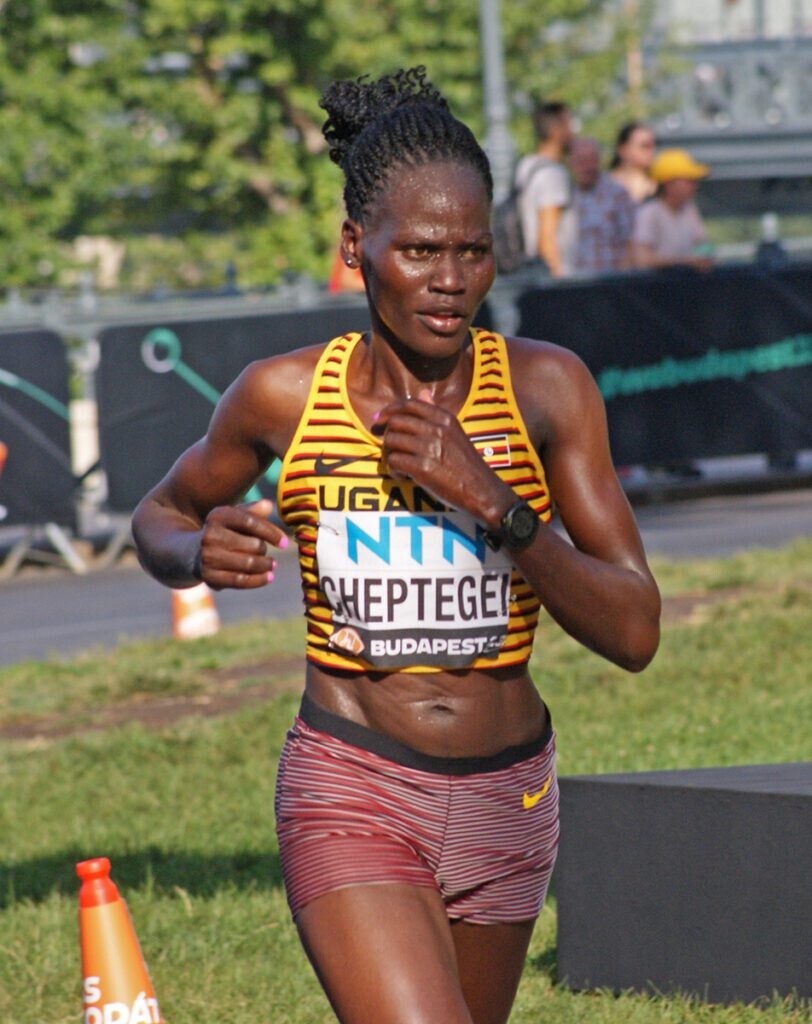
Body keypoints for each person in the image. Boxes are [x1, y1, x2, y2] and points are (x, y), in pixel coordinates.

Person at [131, 66, 661, 1024]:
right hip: (353, 784)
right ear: (355, 246)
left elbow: (634, 632)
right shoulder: (282, 396)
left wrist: (497, 505)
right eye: (419, 251)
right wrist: (196, 551)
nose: (450, 282)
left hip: (510, 798)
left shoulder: (547, 390)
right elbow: (159, 515)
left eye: (473, 251)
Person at [516, 100, 574, 277]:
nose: (573, 131)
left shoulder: (527, 165)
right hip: (552, 277)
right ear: (556, 131)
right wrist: (557, 281)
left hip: (530, 270)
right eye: (569, 124)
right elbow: (547, 238)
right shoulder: (553, 174)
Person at [632, 148, 714, 271]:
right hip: (657, 283)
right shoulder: (649, 213)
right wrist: (686, 261)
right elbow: (642, 259)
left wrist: (706, 255)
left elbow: (702, 243)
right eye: (688, 180)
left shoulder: (689, 209)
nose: (694, 186)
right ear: (669, 184)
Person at [568, 136, 635, 275]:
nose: (587, 167)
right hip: (574, 281)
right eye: (581, 161)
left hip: (609, 280)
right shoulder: (567, 194)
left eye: (591, 160)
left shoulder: (617, 194)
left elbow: (631, 242)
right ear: (571, 162)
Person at [609, 121, 657, 205]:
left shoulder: (658, 187)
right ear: (623, 150)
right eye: (644, 146)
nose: (651, 152)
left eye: (652, 146)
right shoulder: (603, 185)